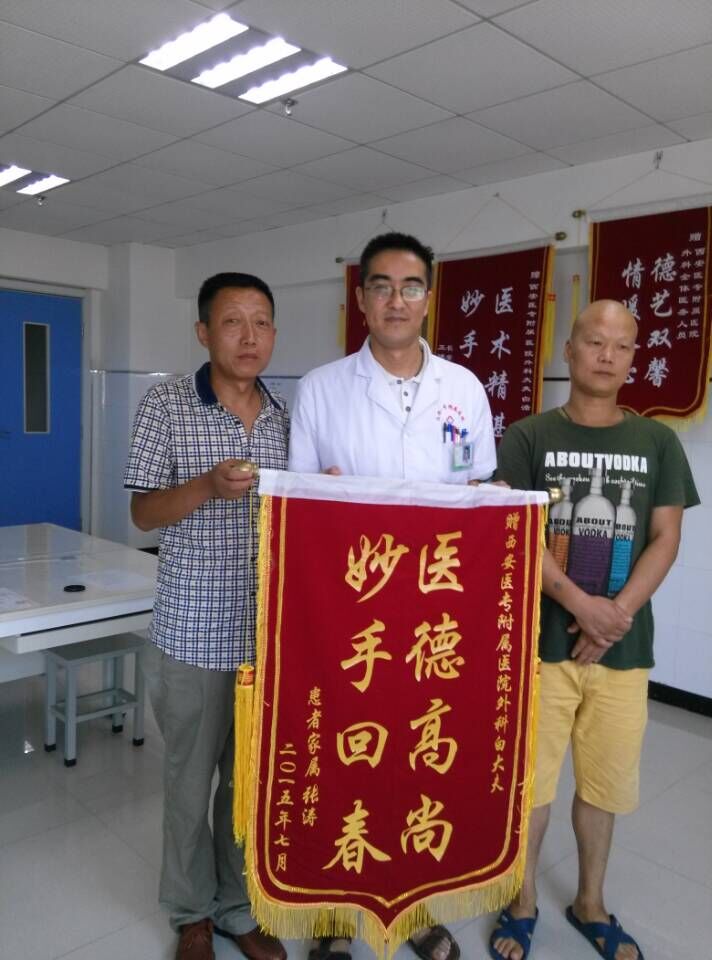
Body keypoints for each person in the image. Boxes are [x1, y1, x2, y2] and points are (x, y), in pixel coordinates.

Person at [289, 232, 497, 960]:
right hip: (348, 620)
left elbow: (478, 495)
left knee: (420, 758)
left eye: (410, 287)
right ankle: (332, 915)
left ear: (429, 298)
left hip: (435, 619)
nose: (396, 300)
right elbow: (299, 504)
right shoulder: (321, 388)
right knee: (347, 760)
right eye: (381, 286)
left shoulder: (464, 390)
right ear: (361, 298)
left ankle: (415, 906)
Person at [490, 299, 699, 960]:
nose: (607, 355)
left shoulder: (657, 442)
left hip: (624, 650)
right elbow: (516, 535)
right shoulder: (527, 437)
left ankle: (590, 903)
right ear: (569, 349)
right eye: (594, 341)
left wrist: (612, 618)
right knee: (531, 785)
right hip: (541, 647)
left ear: (634, 358)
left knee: (603, 786)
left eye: (621, 346)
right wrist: (583, 605)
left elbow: (665, 538)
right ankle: (522, 900)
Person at [124, 273, 289, 960]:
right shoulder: (165, 404)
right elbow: (141, 513)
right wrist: (205, 486)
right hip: (192, 634)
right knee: (190, 787)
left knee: (245, 789)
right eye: (232, 322)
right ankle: (190, 912)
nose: (249, 336)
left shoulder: (283, 416)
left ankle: (236, 906)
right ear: (203, 332)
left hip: (264, 638)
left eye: (261, 322)